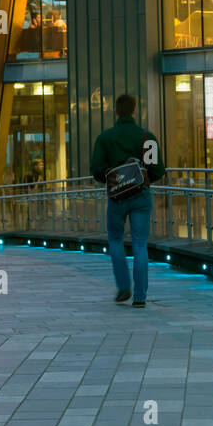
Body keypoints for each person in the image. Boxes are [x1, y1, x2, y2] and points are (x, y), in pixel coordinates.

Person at [90, 94, 164, 307]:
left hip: (117, 198)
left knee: (115, 240)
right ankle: (140, 297)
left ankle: (123, 287)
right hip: (141, 196)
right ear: (134, 111)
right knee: (140, 244)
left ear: (116, 111)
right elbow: (157, 169)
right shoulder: (146, 137)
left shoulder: (104, 138)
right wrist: (142, 179)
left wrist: (115, 180)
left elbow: (96, 169)